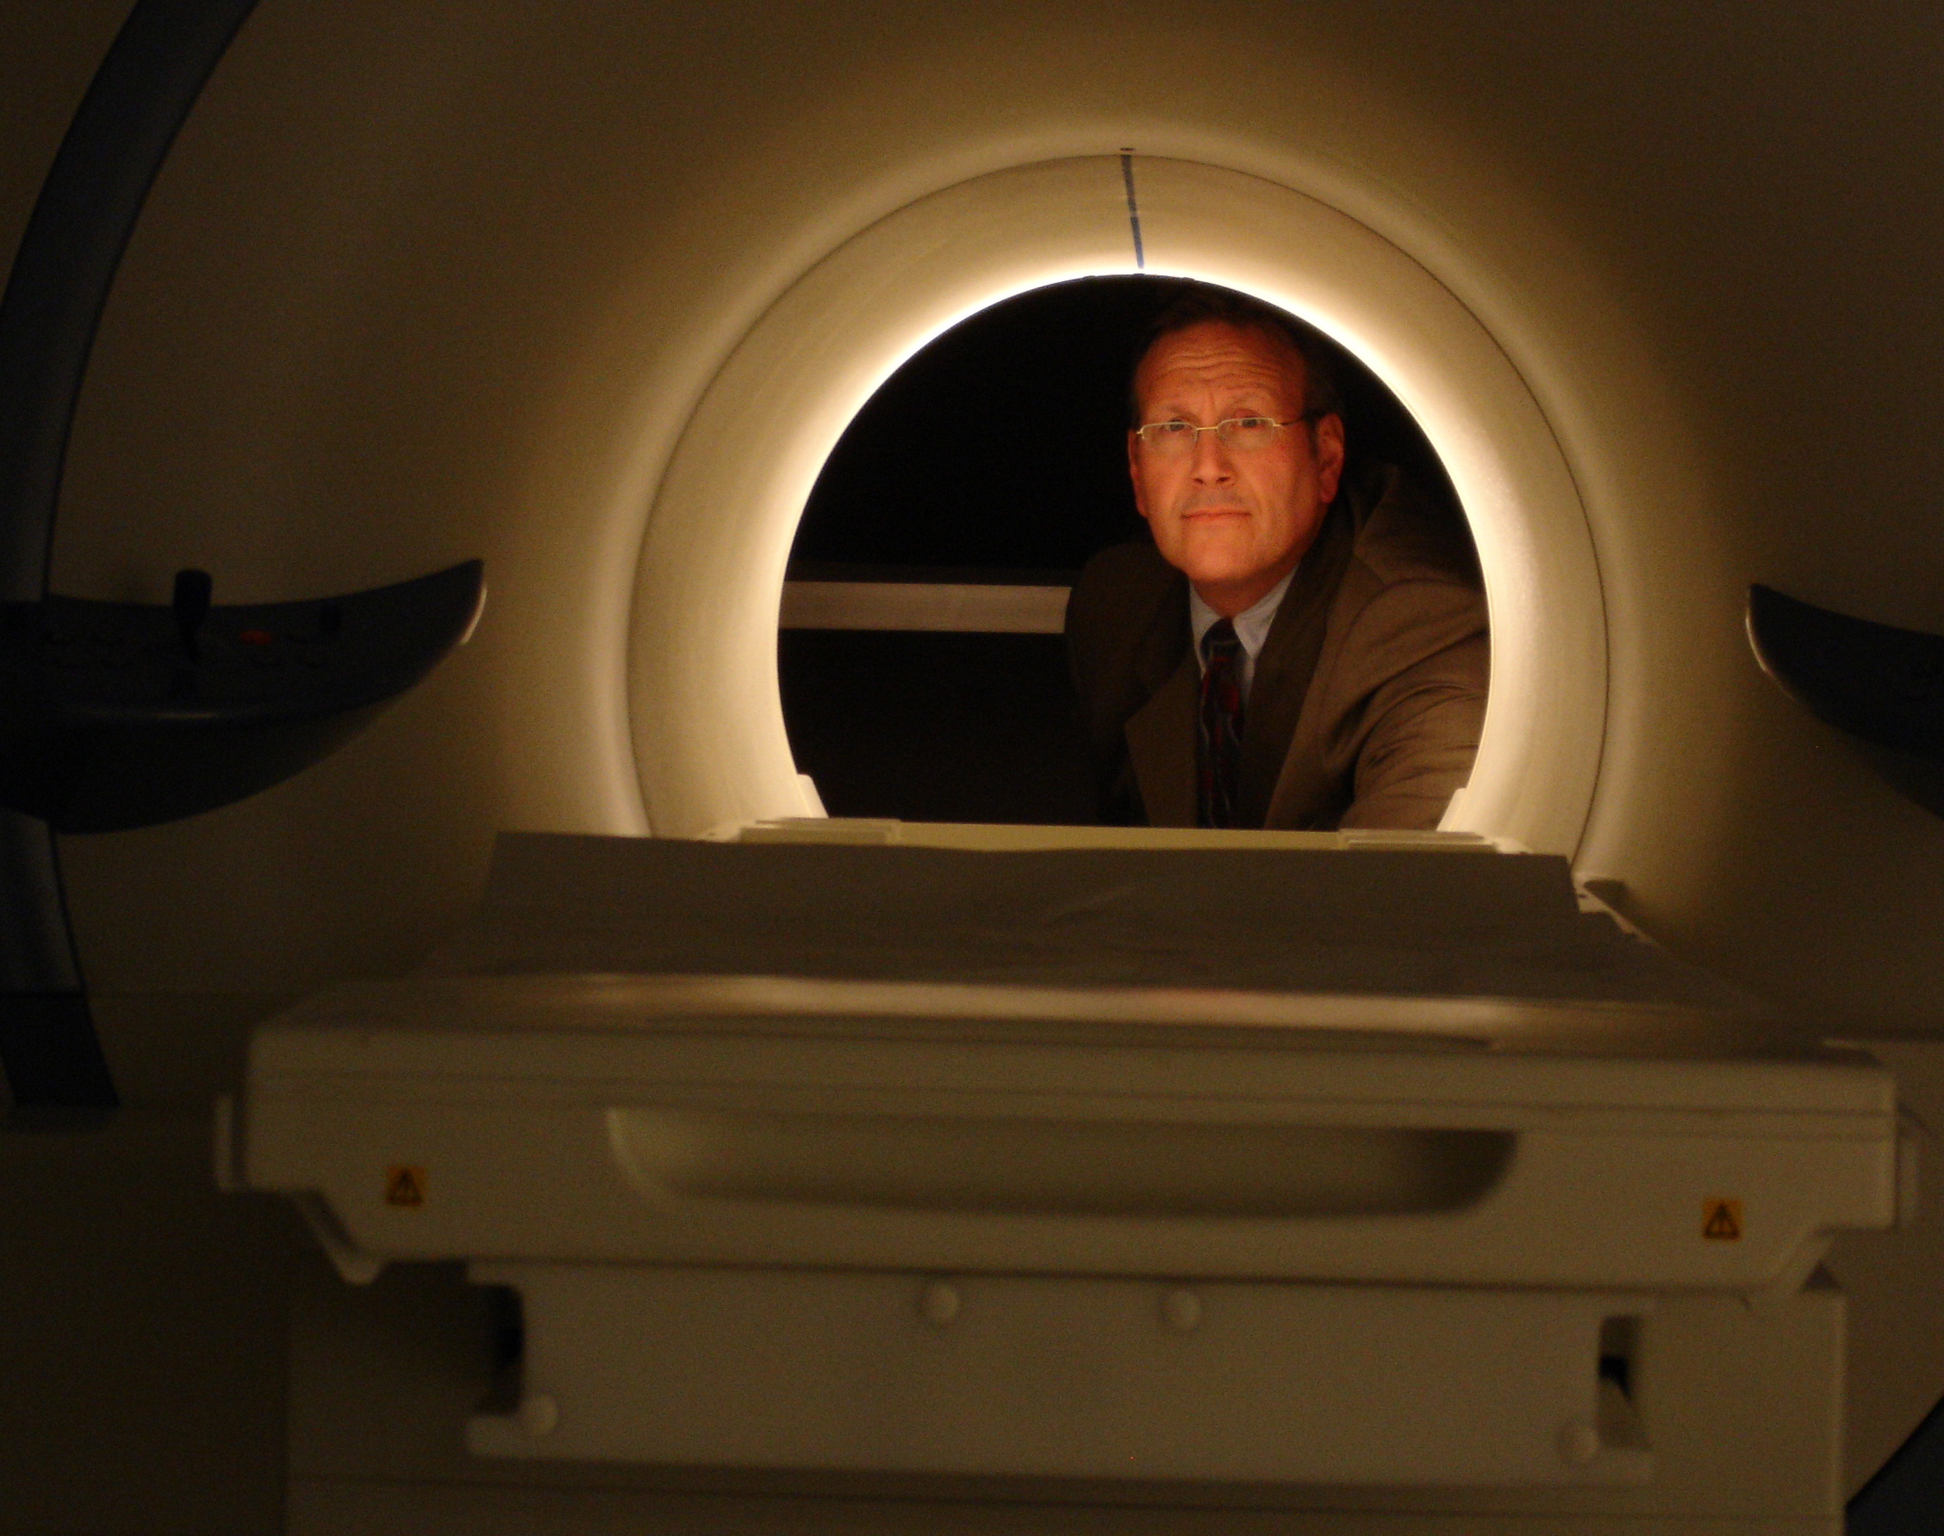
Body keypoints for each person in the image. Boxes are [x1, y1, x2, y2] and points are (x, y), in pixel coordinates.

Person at [1065, 287, 1488, 831]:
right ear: (1136, 470)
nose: (1208, 465)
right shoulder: (1114, 605)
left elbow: (1401, 893)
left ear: (1327, 458)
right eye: (1173, 428)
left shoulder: (1420, 624)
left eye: (1248, 423)